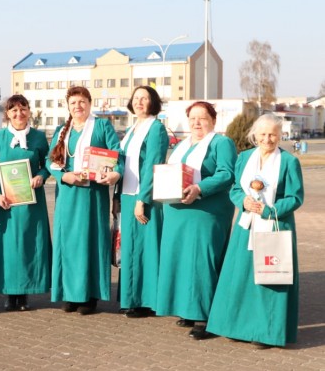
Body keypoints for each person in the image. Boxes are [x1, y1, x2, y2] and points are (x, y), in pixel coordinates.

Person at [206, 113, 304, 348]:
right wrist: (243, 202)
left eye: (273, 134)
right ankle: (237, 327)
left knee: (270, 281)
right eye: (263, 134)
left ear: (281, 135)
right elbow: (234, 188)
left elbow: (295, 197)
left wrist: (270, 210)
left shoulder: (289, 162)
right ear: (255, 136)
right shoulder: (244, 158)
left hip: (275, 226)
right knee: (240, 277)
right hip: (246, 226)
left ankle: (267, 332)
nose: (268, 139)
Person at [155, 101, 237, 339]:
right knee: (181, 260)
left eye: (202, 118)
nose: (197, 123)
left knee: (202, 261)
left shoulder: (222, 143)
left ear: (213, 120)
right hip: (178, 212)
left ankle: (206, 316)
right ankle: (188, 309)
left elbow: (227, 173)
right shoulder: (182, 145)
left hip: (205, 211)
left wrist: (199, 188)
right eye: (192, 118)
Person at [46, 86, 122, 315]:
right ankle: (69, 294)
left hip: (92, 196)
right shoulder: (62, 130)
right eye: (73, 103)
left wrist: (114, 173)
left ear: (90, 103)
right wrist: (64, 176)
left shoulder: (101, 126)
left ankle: (89, 296)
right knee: (67, 243)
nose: (77, 106)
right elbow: (52, 161)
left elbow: (117, 153)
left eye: (82, 102)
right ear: (67, 106)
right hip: (68, 195)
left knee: (90, 242)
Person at [0, 94, 51, 311]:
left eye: (23, 109)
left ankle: (24, 293)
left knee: (29, 246)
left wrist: (41, 175)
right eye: (14, 110)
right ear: (7, 115)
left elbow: (50, 163)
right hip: (6, 204)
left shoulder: (39, 138)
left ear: (29, 111)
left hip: (32, 203)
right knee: (8, 248)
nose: (19, 113)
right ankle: (9, 292)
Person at [115, 85, 169, 318]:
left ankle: (147, 301)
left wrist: (142, 199)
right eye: (136, 98)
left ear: (153, 102)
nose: (139, 102)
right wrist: (117, 198)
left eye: (144, 98)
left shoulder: (156, 129)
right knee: (129, 249)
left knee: (146, 249)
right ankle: (130, 298)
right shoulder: (131, 129)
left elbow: (152, 166)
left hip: (144, 198)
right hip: (127, 197)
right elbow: (122, 165)